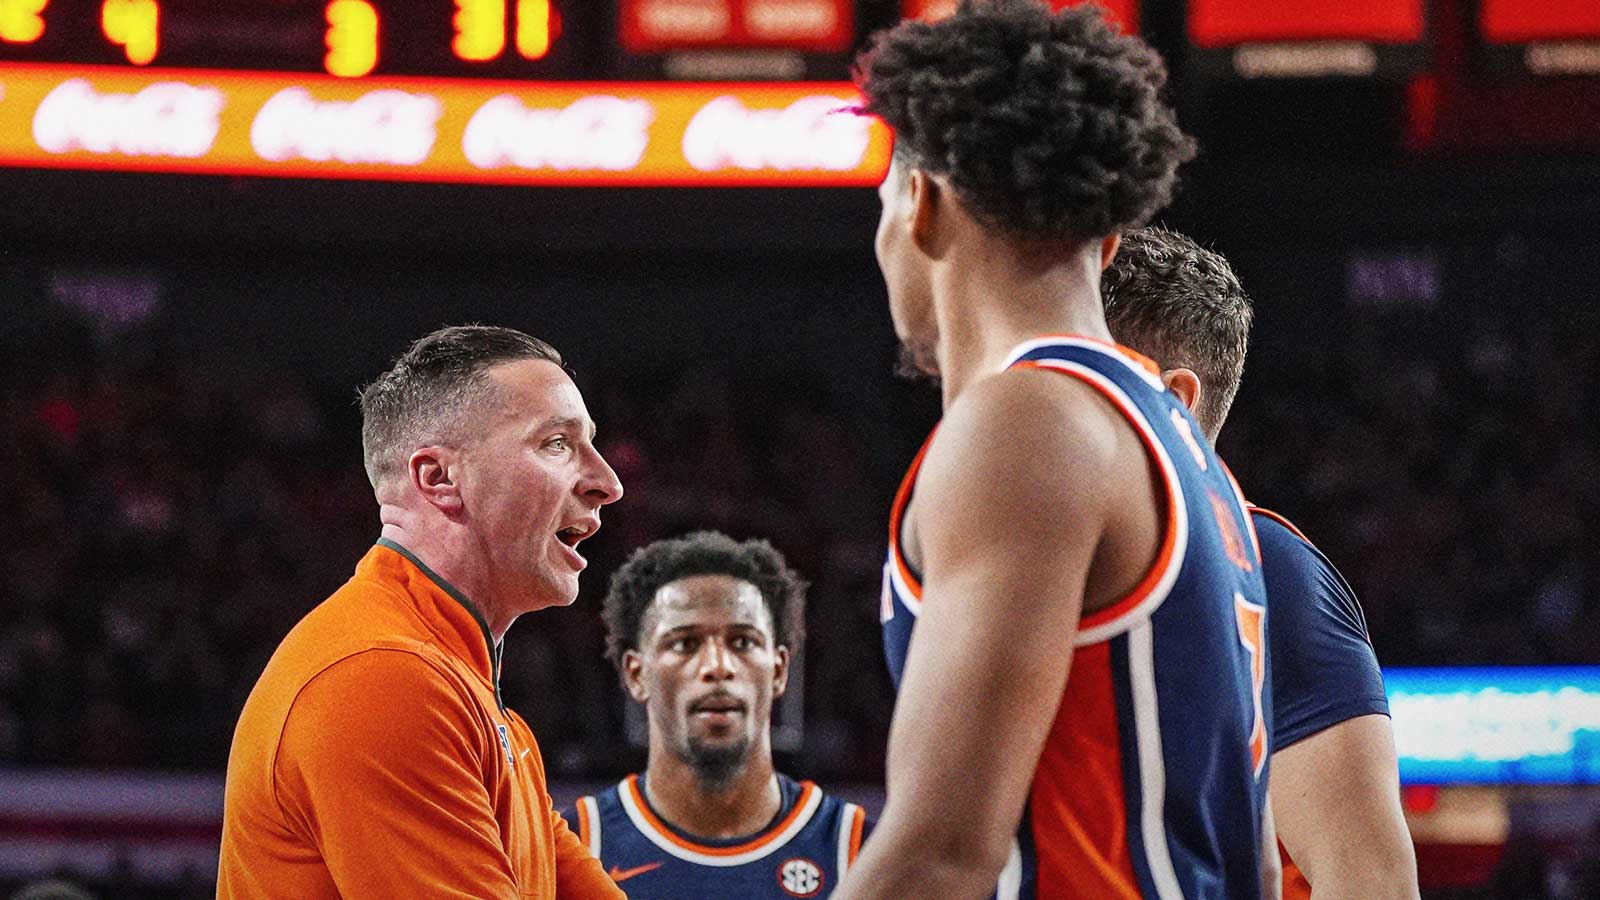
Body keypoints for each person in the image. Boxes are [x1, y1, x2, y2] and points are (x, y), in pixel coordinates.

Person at [839, 2, 1276, 897]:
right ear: (1106, 238)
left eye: (883, 201)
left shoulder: (1026, 426)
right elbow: (1256, 863)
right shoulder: (1184, 448)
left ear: (922, 207)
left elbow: (938, 856)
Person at [217, 325, 627, 899]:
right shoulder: (380, 679)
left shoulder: (475, 700)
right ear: (439, 479)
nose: (608, 483)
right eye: (556, 443)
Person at [1101, 225, 1419, 900]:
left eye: (1082, 369)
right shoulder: (1062, 571)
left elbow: (1374, 887)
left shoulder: (1273, 573)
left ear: (1175, 400)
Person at [564, 531, 869, 898]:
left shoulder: (858, 853)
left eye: (743, 642)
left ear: (779, 670)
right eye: (684, 643)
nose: (717, 666)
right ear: (635, 673)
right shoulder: (573, 850)